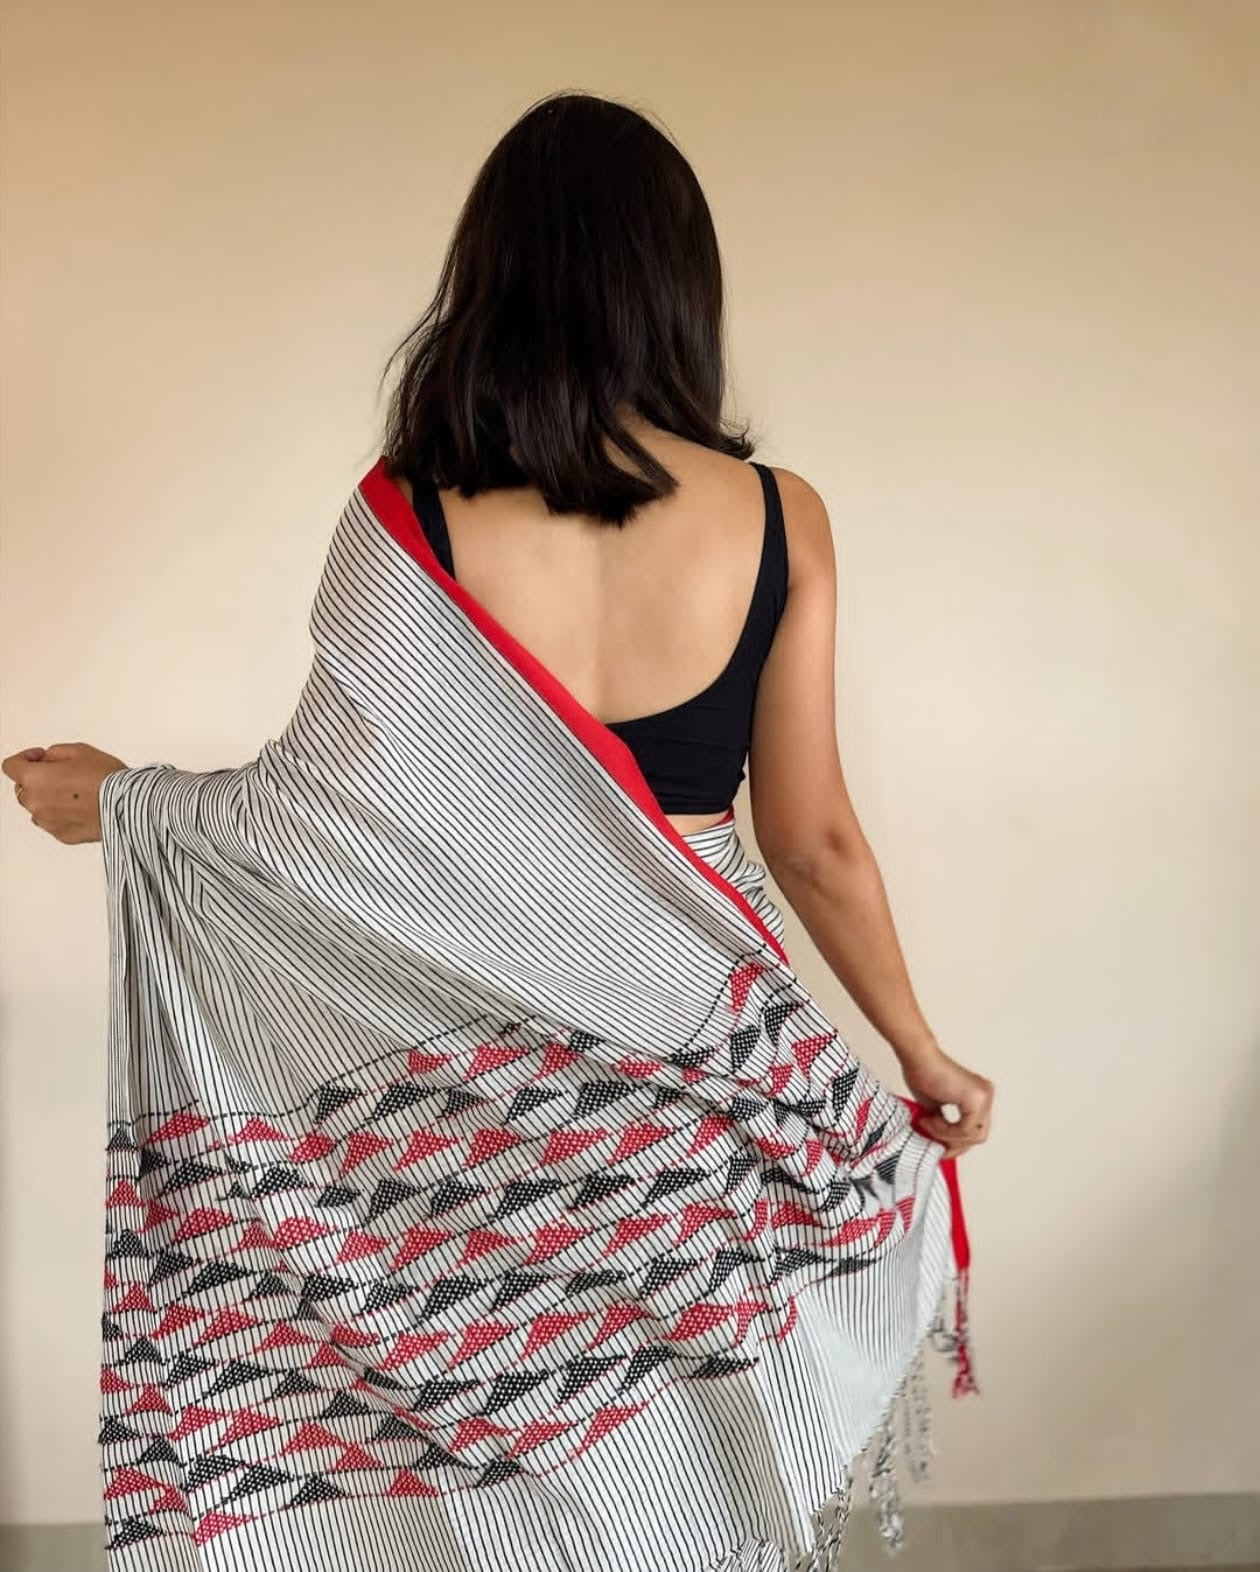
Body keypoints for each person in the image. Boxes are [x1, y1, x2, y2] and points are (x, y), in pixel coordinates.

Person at [5, 93, 991, 1572]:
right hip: (692, 1105)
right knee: (677, 1509)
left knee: (504, 1498)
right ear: (678, 287)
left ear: (492, 277)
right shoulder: (780, 518)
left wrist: (125, 804)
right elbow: (813, 842)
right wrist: (919, 1050)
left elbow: (322, 826)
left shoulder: (407, 514)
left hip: (488, 1134)